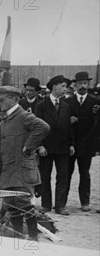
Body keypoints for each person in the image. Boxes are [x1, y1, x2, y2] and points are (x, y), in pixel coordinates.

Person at [0, 86, 50, 240]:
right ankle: (18, 237)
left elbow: (43, 127)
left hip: (22, 170)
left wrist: (29, 147)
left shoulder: (23, 116)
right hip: (7, 171)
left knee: (24, 203)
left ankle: (32, 237)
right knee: (11, 204)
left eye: (1, 100)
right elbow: (0, 150)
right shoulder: (3, 122)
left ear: (14, 99)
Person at [35, 75, 74, 215]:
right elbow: (37, 128)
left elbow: (69, 128)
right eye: (63, 86)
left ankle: (60, 206)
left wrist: (71, 144)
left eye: (66, 87)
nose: (65, 89)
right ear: (54, 87)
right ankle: (46, 205)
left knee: (63, 176)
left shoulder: (66, 106)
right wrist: (40, 146)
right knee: (45, 176)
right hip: (46, 148)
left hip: (63, 148)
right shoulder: (41, 106)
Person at [65, 71, 100, 212]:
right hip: (71, 144)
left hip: (87, 143)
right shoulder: (67, 102)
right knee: (67, 173)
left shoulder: (95, 102)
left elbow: (97, 124)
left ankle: (85, 202)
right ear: (75, 86)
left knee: (84, 173)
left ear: (89, 84)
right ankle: (62, 202)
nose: (82, 86)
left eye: (85, 83)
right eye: (79, 84)